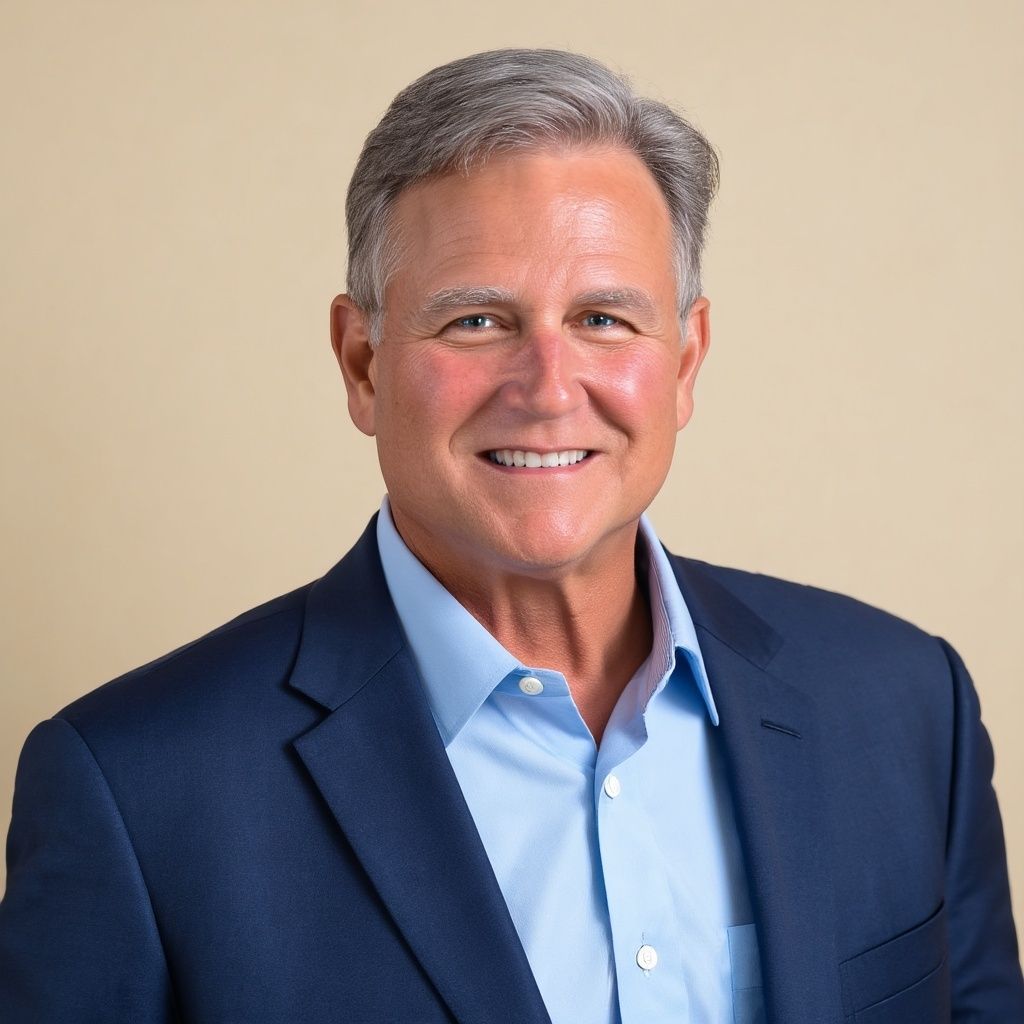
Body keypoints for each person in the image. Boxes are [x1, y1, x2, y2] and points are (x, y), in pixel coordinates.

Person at [0, 48, 1021, 1024]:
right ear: (362, 362)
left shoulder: (901, 706)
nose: (545, 388)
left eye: (604, 319)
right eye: (477, 322)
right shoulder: (135, 791)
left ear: (687, 359)